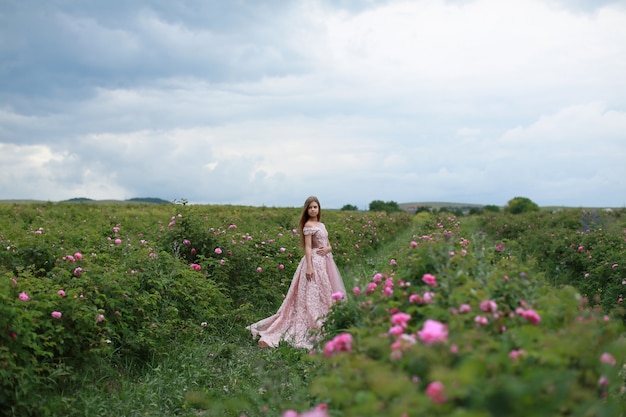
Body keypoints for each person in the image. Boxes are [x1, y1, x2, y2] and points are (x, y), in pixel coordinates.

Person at [246, 196, 346, 349]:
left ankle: (328, 318)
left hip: (325, 261)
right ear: (307, 209)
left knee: (325, 291)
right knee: (311, 292)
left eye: (315, 207)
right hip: (313, 261)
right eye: (310, 207)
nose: (313, 209)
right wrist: (309, 266)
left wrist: (328, 249)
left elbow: (328, 243)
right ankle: (310, 322)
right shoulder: (308, 225)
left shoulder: (322, 224)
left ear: (319, 209)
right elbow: (307, 247)